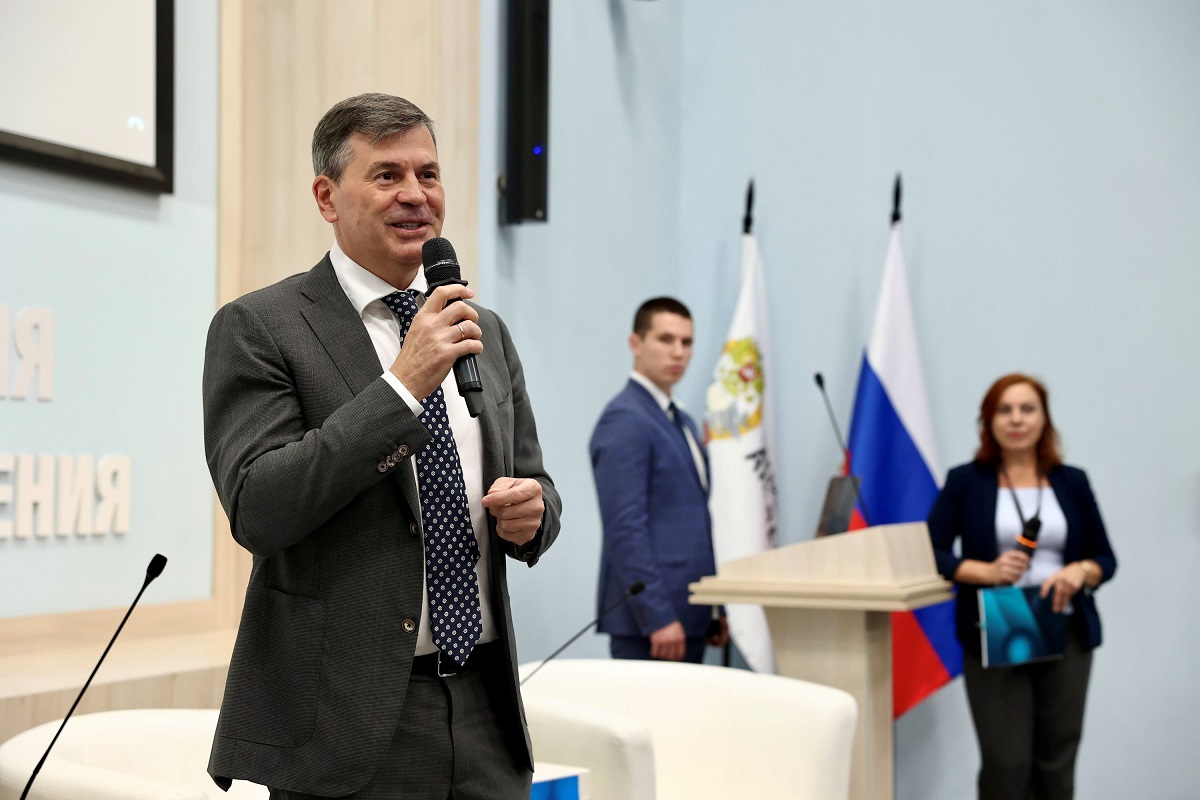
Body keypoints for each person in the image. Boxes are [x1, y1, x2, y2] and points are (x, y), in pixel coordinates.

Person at [202, 93, 561, 800]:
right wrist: (401, 387)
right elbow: (259, 507)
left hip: (485, 709)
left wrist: (535, 515)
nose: (415, 195)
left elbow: (536, 483)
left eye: (428, 174)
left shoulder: (480, 327)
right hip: (346, 721)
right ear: (327, 197)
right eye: (387, 175)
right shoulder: (262, 327)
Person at [927, 373, 1117, 800]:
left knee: (1057, 760)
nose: (1016, 419)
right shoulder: (966, 481)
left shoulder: (1072, 481)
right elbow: (929, 551)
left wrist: (1081, 571)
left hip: (1064, 626)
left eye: (1027, 409)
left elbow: (1106, 558)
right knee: (1006, 762)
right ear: (988, 421)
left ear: (1044, 418)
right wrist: (983, 572)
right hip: (997, 624)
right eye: (1004, 410)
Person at [589, 297, 727, 663]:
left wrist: (715, 608)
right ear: (636, 344)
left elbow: (692, 521)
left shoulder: (681, 419)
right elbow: (625, 528)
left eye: (686, 342)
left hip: (692, 612)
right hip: (651, 624)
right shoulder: (625, 419)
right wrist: (658, 615)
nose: (678, 352)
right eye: (666, 339)